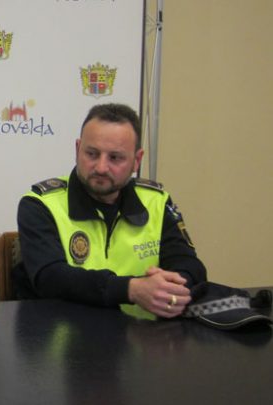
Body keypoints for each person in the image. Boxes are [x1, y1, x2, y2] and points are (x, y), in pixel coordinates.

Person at [13, 103, 207, 318]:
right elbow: (51, 278)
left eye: (115, 157)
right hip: (66, 334)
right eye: (92, 154)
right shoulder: (41, 204)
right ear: (77, 149)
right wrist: (131, 289)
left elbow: (190, 265)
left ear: (137, 160)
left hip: (144, 334)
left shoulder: (156, 202)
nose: (101, 167)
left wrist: (171, 285)